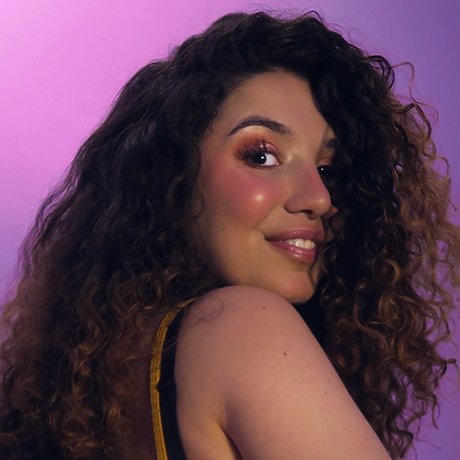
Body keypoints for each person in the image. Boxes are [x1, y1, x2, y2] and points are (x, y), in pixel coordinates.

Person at [0, 10, 459, 460]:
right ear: (173, 178)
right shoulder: (243, 325)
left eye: (326, 168)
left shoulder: (100, 381)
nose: (319, 198)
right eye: (262, 156)